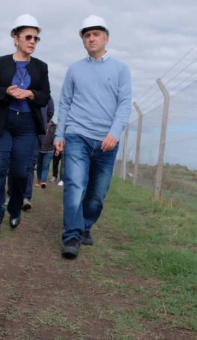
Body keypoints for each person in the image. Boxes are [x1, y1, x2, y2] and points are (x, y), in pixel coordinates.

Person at [54, 15, 132, 259]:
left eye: (95, 34)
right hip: (77, 134)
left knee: (97, 193)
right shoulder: (75, 69)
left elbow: (125, 103)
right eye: (86, 35)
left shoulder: (121, 69)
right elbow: (65, 102)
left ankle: (86, 224)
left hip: (107, 141)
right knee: (75, 185)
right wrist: (60, 133)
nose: (91, 38)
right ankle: (72, 236)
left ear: (105, 38)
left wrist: (114, 133)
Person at [0, 14, 50, 240]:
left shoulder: (41, 67)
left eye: (36, 38)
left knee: (21, 172)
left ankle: (14, 208)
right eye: (28, 37)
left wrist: (31, 93)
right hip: (1, 123)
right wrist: (6, 91)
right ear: (15, 38)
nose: (32, 41)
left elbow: (45, 96)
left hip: (27, 126)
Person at [4, 98, 53, 211]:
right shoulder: (21, 90)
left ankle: (25, 197)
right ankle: (11, 195)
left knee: (29, 166)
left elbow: (50, 112)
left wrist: (41, 121)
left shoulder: (46, 96)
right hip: (18, 133)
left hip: (35, 135)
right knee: (14, 164)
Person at [37, 119, 57, 187]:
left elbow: (56, 138)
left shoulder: (54, 127)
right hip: (39, 149)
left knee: (45, 166)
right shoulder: (41, 123)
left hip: (49, 150)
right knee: (39, 166)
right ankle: (39, 180)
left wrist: (56, 149)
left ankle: (43, 181)